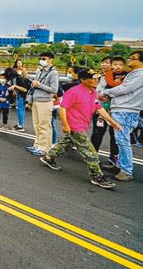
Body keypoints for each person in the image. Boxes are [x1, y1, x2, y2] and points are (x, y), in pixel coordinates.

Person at [39, 69, 120, 189]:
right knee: (90, 153)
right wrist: (65, 125)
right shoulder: (74, 91)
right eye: (93, 78)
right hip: (75, 126)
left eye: (97, 78)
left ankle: (48, 157)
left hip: (83, 124)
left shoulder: (92, 92)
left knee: (66, 143)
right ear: (83, 80)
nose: (96, 80)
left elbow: (99, 108)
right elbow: (63, 108)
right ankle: (97, 177)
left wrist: (112, 122)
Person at [100, 50, 143, 181]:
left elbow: (125, 89)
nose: (129, 60)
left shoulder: (140, 74)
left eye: (133, 58)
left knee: (123, 141)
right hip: (122, 109)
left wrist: (106, 92)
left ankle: (126, 171)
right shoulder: (133, 74)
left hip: (126, 111)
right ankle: (120, 166)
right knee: (120, 140)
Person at [26, 52, 59, 156]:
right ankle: (37, 144)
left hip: (45, 101)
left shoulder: (53, 73)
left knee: (44, 125)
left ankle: (44, 147)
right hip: (36, 100)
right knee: (37, 124)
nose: (41, 60)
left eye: (44, 58)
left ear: (51, 60)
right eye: (40, 58)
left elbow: (54, 89)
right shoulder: (39, 71)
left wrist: (39, 85)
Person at [91, 56, 119, 168]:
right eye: (103, 62)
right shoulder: (98, 77)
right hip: (99, 110)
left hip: (114, 111)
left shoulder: (119, 78)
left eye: (108, 63)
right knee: (97, 133)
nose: (104, 64)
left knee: (115, 135)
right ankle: (93, 156)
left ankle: (114, 157)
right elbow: (92, 91)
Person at [10, 59, 30, 131]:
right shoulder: (13, 70)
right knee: (20, 108)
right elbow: (12, 80)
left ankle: (21, 126)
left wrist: (22, 70)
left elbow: (26, 80)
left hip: (23, 91)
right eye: (18, 62)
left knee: (20, 108)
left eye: (21, 63)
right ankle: (19, 123)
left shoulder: (23, 70)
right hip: (17, 91)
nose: (19, 64)